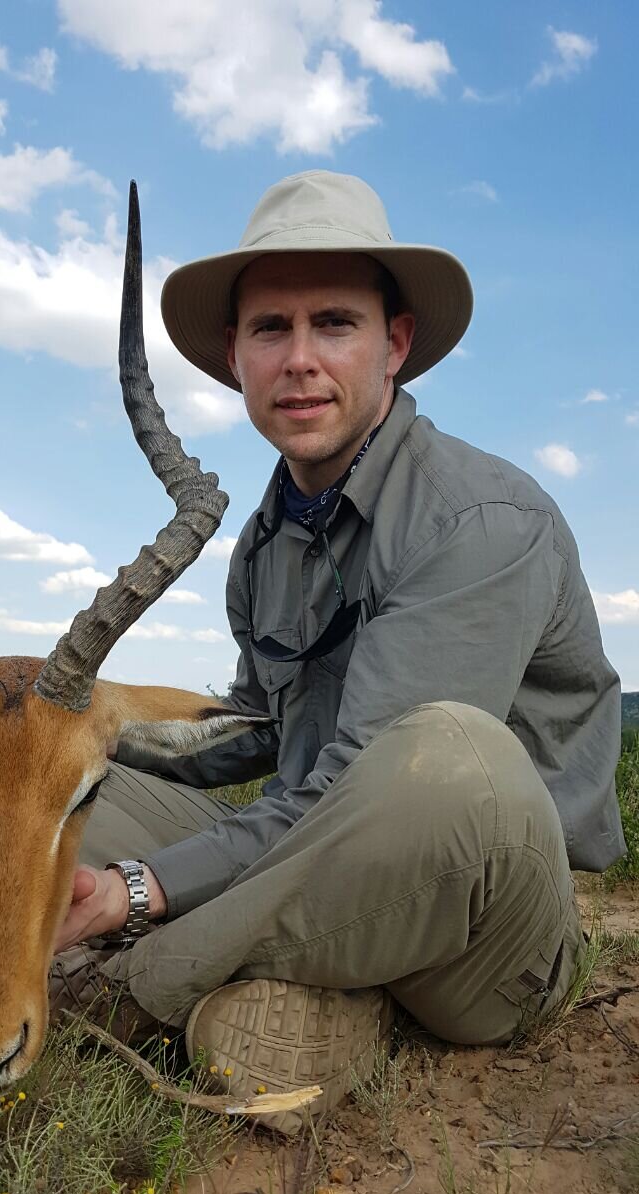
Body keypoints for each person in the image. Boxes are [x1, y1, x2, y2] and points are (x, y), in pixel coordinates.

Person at [48, 170, 627, 1134]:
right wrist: (83, 726)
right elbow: (262, 733)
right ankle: (331, 1002)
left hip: (490, 931)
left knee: (447, 755)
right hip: (323, 860)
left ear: (395, 343)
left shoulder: (480, 518)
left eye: (335, 323)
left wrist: (138, 895)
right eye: (271, 329)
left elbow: (368, 779)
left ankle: (123, 993)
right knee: (56, 779)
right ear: (234, 356)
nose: (300, 360)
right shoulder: (266, 540)